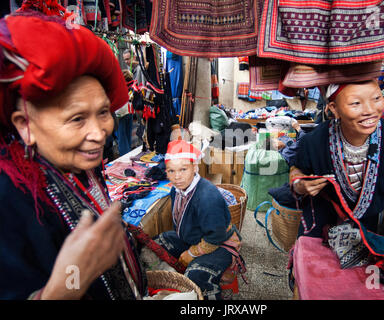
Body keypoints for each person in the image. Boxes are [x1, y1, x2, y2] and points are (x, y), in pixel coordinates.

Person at [0, 12, 147, 299]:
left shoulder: (79, 164)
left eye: (103, 112)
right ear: (24, 125)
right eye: (77, 119)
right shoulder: (9, 198)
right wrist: (71, 281)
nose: (99, 132)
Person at [290, 80, 384, 263]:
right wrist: (300, 185)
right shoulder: (314, 141)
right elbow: (297, 170)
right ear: (334, 108)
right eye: (356, 103)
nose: (370, 110)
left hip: (371, 234)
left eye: (377, 98)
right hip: (320, 230)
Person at [153, 139, 244, 300]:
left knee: (197, 276)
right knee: (159, 242)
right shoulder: (176, 191)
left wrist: (191, 254)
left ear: (195, 167)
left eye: (183, 169)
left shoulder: (207, 197)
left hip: (220, 244)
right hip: (195, 238)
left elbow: (216, 236)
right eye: (171, 171)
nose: (177, 177)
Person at [114, 69, 134, 156]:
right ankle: (129, 155)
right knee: (127, 137)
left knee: (122, 140)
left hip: (120, 114)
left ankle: (125, 158)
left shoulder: (118, 87)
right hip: (129, 112)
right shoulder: (132, 86)